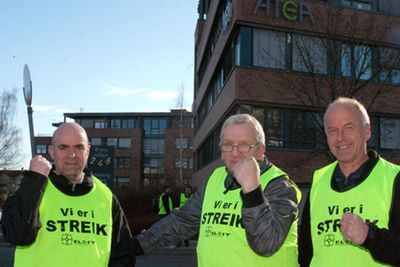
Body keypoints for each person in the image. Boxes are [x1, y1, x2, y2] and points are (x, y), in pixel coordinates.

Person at [133, 113, 301, 266]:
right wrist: (136, 245)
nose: (235, 153)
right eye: (228, 145)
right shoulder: (215, 178)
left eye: (244, 145)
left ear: (261, 150)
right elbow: (182, 221)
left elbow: (266, 244)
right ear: (221, 150)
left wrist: (252, 190)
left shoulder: (280, 186)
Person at [1, 122, 135, 266]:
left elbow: (124, 255)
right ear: (52, 152)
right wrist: (34, 181)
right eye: (63, 147)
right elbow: (17, 235)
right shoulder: (34, 187)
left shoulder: (106, 197)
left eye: (79, 147)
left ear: (88, 151)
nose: (72, 155)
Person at [298, 97, 400, 266]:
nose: (340, 137)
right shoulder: (318, 179)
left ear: (367, 131)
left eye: (349, 127)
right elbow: (306, 252)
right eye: (332, 130)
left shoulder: (394, 178)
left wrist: (370, 236)